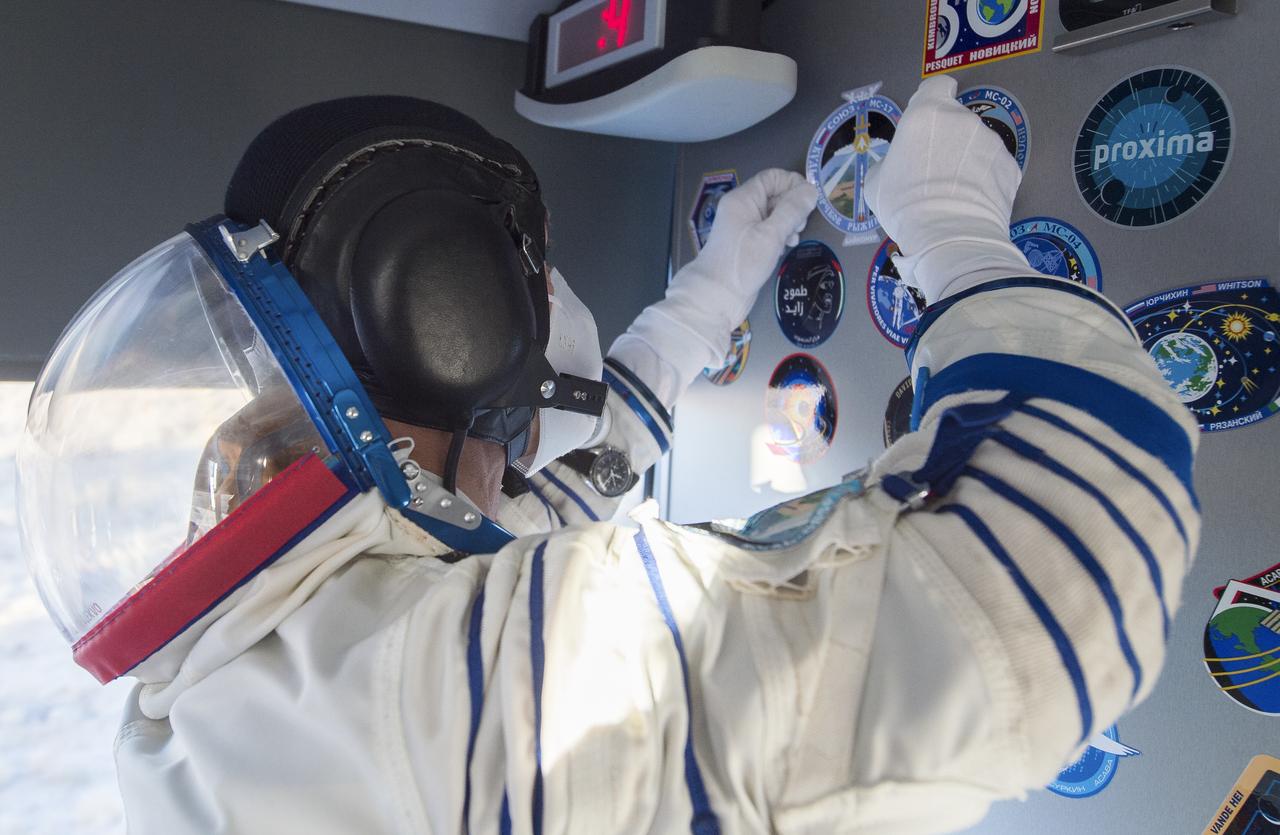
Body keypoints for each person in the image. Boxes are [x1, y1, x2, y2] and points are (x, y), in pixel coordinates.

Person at [17, 76, 1198, 834]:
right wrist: (951, 233)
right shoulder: (452, 698)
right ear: (457, 319)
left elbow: (549, 514)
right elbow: (1064, 553)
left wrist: (703, 301)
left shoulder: (250, 665)